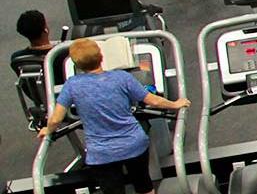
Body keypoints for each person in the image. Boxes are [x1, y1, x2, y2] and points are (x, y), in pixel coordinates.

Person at [38, 39, 191, 194]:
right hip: (134, 145)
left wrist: (48, 130)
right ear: (101, 57)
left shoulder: (72, 85)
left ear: (77, 64)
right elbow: (154, 100)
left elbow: (56, 119)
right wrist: (176, 104)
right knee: (144, 186)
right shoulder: (122, 77)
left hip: (101, 154)